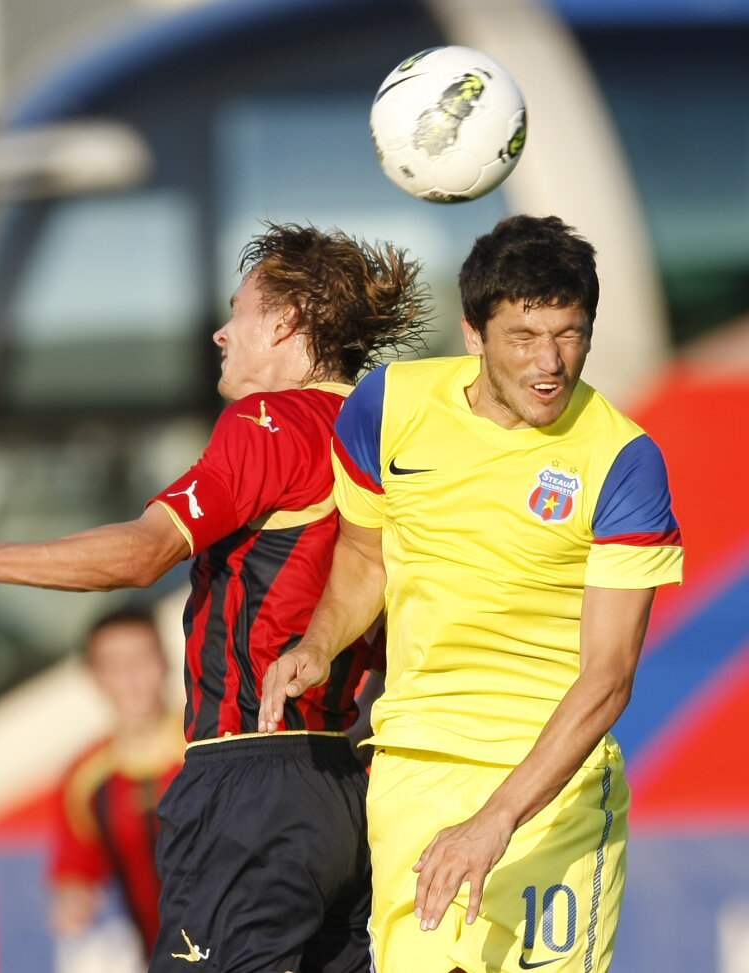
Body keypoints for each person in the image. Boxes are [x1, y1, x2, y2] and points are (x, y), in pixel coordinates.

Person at [0, 221, 430, 973]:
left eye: (237, 311)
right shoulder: (389, 432)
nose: (219, 332)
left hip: (251, 778)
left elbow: (145, 553)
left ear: (285, 322)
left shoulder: (269, 423)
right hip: (344, 783)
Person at [259, 214, 685, 973]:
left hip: (552, 784)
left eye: (571, 333)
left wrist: (495, 820)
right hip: (412, 770)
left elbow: (609, 674)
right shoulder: (386, 407)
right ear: (473, 334)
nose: (551, 361)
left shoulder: (624, 460)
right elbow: (365, 558)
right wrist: (319, 643)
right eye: (524, 335)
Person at [49, 606, 183, 964]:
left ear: (165, 663)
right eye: (115, 666)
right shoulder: (86, 779)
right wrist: (73, 905)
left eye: (142, 660)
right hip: (156, 959)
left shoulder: (208, 748)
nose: (132, 678)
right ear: (95, 677)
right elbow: (76, 873)